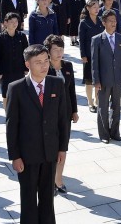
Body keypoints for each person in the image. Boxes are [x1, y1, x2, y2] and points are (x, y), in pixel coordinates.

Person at [6, 44, 70, 224]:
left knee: (47, 197)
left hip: (50, 152)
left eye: (46, 61)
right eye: (38, 62)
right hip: (27, 155)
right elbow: (12, 126)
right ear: (27, 64)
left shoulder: (57, 84)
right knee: (28, 198)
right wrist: (15, 156)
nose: (44, 66)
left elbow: (62, 119)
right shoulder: (16, 88)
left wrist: (62, 148)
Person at [42, 35, 78, 194]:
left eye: (61, 49)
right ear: (48, 52)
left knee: (63, 146)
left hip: (66, 113)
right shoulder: (44, 68)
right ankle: (48, 180)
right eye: (55, 50)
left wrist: (75, 110)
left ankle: (58, 178)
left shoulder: (68, 66)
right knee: (49, 147)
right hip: (48, 114)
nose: (59, 53)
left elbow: (72, 90)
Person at [92, 10, 121, 144]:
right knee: (103, 107)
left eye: (115, 21)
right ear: (104, 23)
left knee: (116, 106)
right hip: (103, 79)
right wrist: (96, 81)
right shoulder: (97, 40)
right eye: (110, 21)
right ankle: (104, 134)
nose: (113, 23)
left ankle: (115, 132)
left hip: (118, 78)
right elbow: (94, 62)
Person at [78, 0, 101, 113]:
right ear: (88, 8)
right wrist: (83, 55)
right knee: (89, 80)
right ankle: (90, 102)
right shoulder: (84, 22)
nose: (96, 9)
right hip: (88, 54)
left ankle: (97, 100)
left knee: (98, 79)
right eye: (94, 7)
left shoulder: (101, 21)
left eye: (97, 7)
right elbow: (81, 40)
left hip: (100, 54)